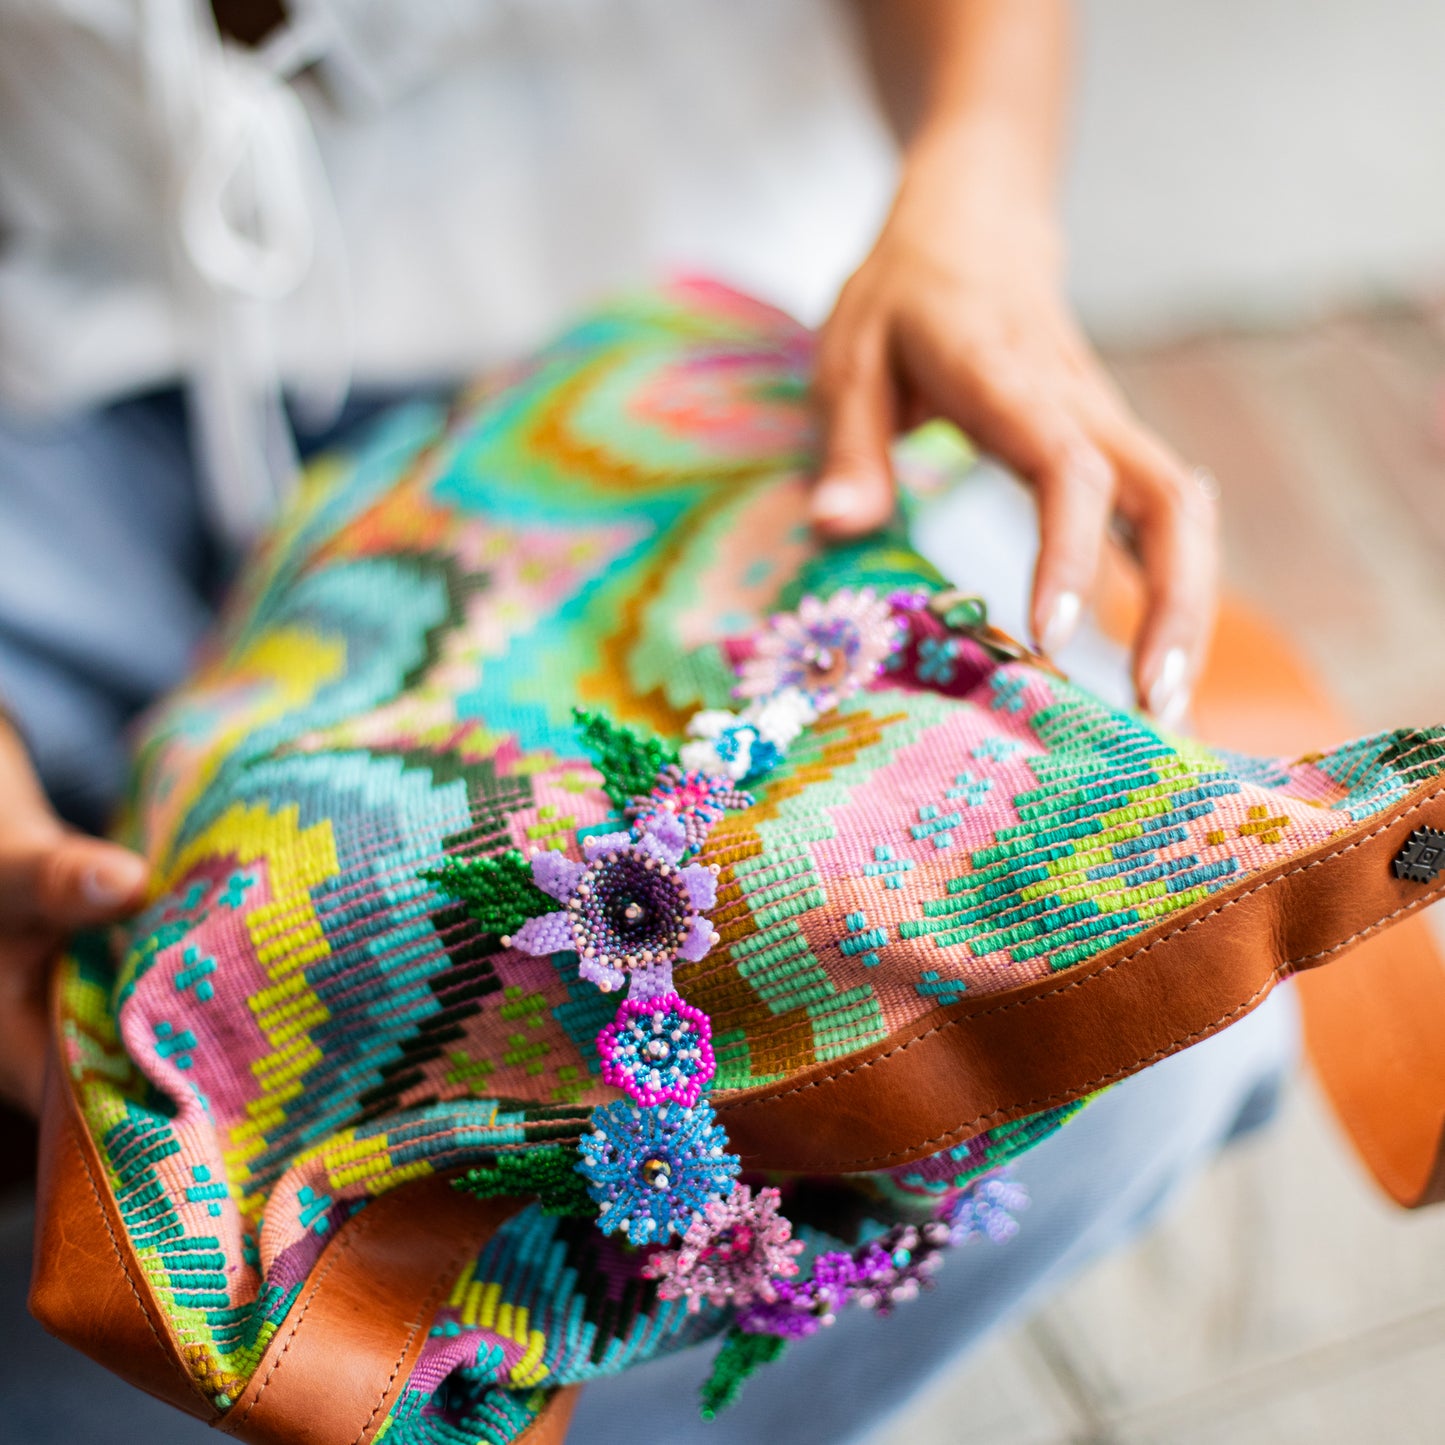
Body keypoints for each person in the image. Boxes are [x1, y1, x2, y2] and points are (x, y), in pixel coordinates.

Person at [0, 3, 1286, 1441]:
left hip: (667, 393)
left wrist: (974, 196)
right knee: (160, 1165)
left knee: (1146, 1001)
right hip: (61, 400)